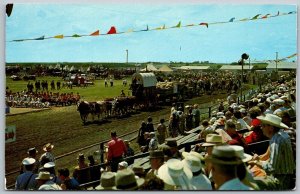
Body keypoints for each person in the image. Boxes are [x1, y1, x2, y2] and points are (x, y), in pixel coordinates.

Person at [248, 114, 295, 190]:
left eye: (263, 125)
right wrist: (259, 161)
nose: (261, 127)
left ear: (271, 128)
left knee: (249, 183)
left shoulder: (276, 141)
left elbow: (272, 168)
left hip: (280, 181)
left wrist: (256, 162)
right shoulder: (280, 135)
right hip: (284, 176)